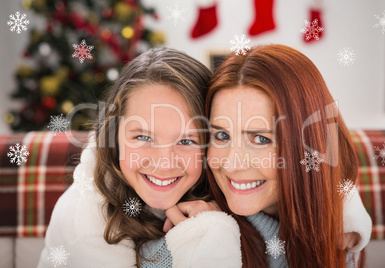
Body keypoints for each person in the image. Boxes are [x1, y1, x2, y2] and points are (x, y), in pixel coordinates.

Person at [37, 47, 242, 267]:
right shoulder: (85, 218)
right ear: (114, 135)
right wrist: (205, 234)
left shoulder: (219, 182)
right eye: (143, 137)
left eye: (185, 141)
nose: (163, 163)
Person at [200, 44, 372, 267]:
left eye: (261, 139)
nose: (232, 164)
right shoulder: (195, 224)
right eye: (221, 135)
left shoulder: (340, 228)